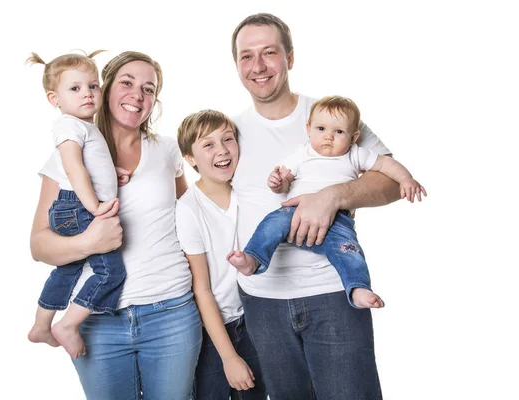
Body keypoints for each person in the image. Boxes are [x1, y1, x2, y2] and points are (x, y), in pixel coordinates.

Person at [229, 13, 402, 399]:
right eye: (246, 56)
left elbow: (390, 180)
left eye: (269, 52)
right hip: (262, 302)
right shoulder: (231, 130)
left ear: (290, 58)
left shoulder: (330, 117)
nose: (258, 66)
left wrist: (334, 196)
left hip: (333, 295)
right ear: (237, 65)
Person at [30, 51, 202, 399]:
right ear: (105, 88)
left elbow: (193, 220)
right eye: (127, 82)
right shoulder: (70, 154)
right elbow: (38, 245)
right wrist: (89, 244)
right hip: (96, 324)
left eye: (149, 88)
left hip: (171, 313)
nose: (137, 95)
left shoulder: (167, 151)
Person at [228, 95, 426, 309]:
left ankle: (357, 287)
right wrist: (278, 183)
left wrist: (406, 179)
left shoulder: (355, 154)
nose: (328, 137)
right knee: (270, 224)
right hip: (292, 213)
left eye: (338, 132)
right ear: (309, 129)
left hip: (337, 221)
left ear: (353, 136)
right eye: (321, 129)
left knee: (348, 250)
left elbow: (386, 164)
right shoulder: (302, 154)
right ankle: (253, 258)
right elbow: (285, 180)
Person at [26, 50, 128, 360]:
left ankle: (41, 324)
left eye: (92, 86)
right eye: (75, 88)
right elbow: (74, 168)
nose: (87, 94)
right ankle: (68, 324)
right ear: (53, 99)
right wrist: (94, 206)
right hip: (77, 207)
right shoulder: (69, 126)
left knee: (67, 269)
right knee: (111, 274)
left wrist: (113, 173)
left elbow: (90, 164)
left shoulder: (84, 127)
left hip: (74, 205)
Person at [175, 110, 266, 399]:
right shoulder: (189, 209)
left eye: (228, 139)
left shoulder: (248, 193)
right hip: (213, 331)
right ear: (190, 159)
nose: (223, 150)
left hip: (253, 320)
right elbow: (201, 288)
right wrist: (228, 357)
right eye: (208, 144)